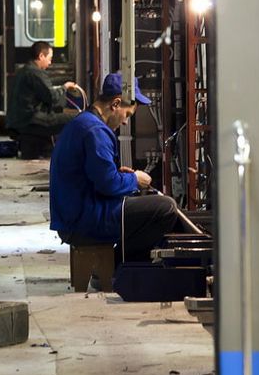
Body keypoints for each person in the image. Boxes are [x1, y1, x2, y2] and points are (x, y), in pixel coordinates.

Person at [50, 72, 178, 262]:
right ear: (116, 103)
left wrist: (119, 175)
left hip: (75, 215)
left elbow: (94, 175)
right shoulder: (96, 131)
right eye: (127, 114)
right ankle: (119, 268)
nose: (126, 121)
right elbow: (108, 185)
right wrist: (135, 179)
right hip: (85, 220)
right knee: (166, 208)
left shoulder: (83, 122)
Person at [6, 41, 77, 136]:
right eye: (49, 59)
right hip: (30, 120)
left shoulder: (23, 71)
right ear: (41, 56)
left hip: (17, 120)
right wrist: (65, 87)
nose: (50, 62)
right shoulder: (36, 73)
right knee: (78, 118)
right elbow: (52, 97)